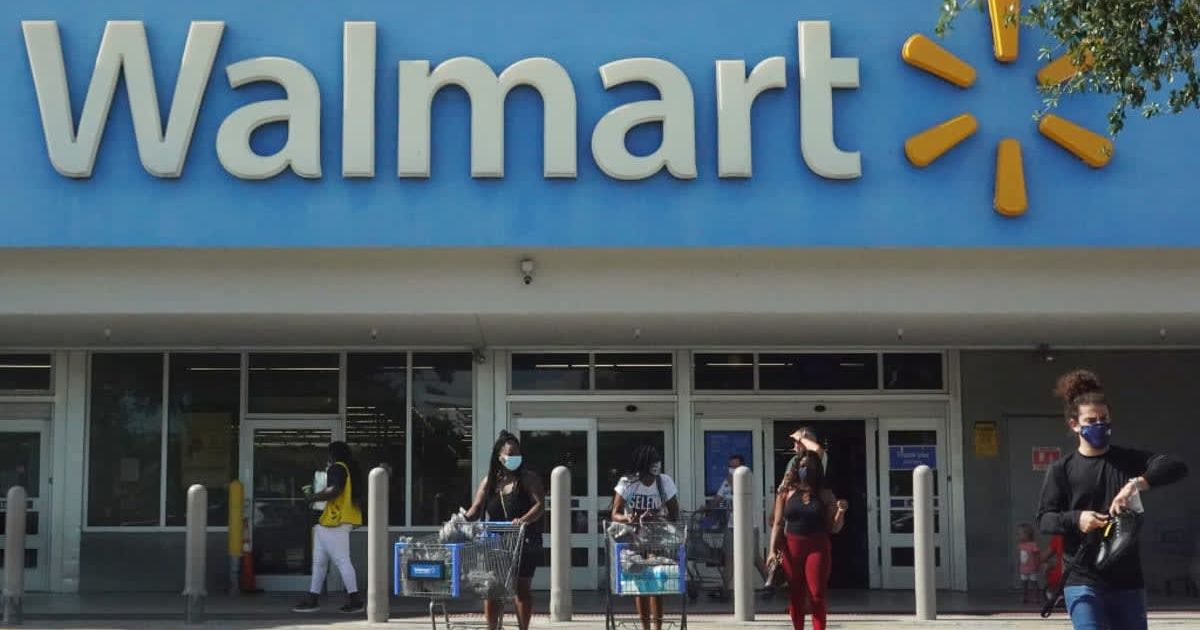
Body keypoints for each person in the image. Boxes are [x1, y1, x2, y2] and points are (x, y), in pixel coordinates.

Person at [1036, 369, 1189, 630]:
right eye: (1091, 420)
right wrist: (1078, 518)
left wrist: (1137, 484)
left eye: (1104, 419)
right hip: (1082, 578)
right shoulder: (1062, 469)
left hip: (1127, 579)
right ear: (1075, 425)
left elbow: (1176, 466)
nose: (1099, 425)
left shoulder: (1128, 460)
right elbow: (1045, 519)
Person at [464, 431, 545, 630]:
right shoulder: (490, 482)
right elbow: (475, 509)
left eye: (517, 453)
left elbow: (540, 505)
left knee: (521, 589)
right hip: (496, 542)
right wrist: (461, 520)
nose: (514, 457)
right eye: (510, 453)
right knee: (493, 589)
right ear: (500, 457)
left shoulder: (528, 479)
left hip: (524, 541)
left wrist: (523, 520)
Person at [769, 449, 847, 630]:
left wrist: (841, 512)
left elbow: (834, 528)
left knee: (816, 594)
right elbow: (777, 523)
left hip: (817, 546)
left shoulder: (825, 494)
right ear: (797, 468)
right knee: (796, 595)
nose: (806, 470)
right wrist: (772, 550)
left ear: (818, 470)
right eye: (803, 466)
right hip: (791, 547)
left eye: (810, 467)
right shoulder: (786, 493)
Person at [611, 444, 680, 630]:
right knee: (640, 583)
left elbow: (675, 514)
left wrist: (656, 516)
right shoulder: (627, 482)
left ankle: (657, 627)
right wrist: (629, 518)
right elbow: (615, 514)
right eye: (649, 471)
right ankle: (645, 627)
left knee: (656, 582)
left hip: (656, 536)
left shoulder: (664, 482)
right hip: (633, 538)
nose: (651, 477)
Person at [293, 441, 365, 614]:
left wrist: (312, 497)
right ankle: (313, 598)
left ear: (333, 455)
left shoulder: (337, 468)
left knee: (341, 560)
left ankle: (355, 601)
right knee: (319, 562)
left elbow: (334, 490)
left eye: (328, 454)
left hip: (334, 521)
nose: (327, 458)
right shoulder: (348, 469)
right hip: (331, 522)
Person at [707, 454, 768, 599]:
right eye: (730, 466)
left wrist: (734, 481)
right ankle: (725, 589)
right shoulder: (726, 481)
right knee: (729, 557)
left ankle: (769, 583)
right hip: (731, 525)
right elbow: (717, 499)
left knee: (754, 557)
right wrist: (707, 509)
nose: (732, 469)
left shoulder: (748, 478)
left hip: (748, 526)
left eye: (735, 467)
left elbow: (742, 495)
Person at [1016, 523, 1042, 604]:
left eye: (1021, 534)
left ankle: (1036, 597)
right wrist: (1018, 565)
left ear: (1028, 535)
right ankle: (1024, 596)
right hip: (1023, 569)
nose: (1019, 536)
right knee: (1024, 584)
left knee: (1034, 583)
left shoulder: (1032, 545)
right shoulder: (1020, 545)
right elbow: (1019, 556)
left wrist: (1037, 564)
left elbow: (1036, 555)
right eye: (1018, 534)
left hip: (1032, 568)